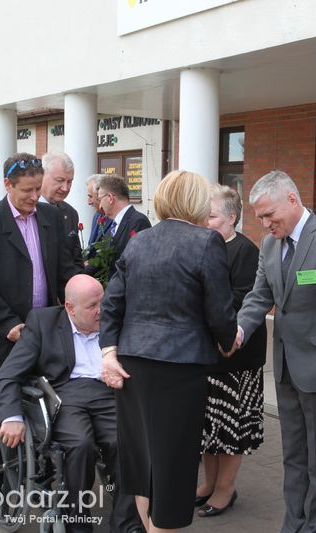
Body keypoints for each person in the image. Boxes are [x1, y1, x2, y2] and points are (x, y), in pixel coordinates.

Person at [99, 170, 238, 532]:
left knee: (143, 462)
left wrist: (109, 352)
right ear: (195, 201)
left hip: (134, 366)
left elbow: (112, 303)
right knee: (173, 465)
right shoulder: (207, 242)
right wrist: (228, 341)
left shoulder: (139, 240)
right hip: (179, 370)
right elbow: (219, 310)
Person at [237, 170, 316, 533]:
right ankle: (293, 525)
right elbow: (260, 295)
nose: (264, 223)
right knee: (293, 457)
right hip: (287, 368)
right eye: (259, 217)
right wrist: (240, 330)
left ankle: (314, 527)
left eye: (268, 215)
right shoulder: (269, 245)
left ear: (292, 200)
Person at [0, 274, 142, 532]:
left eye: (103, 302)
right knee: (79, 445)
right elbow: (10, 372)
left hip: (108, 391)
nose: (101, 311)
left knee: (127, 440)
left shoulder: (113, 319)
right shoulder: (43, 323)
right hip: (64, 395)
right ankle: (77, 521)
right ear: (70, 308)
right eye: (92, 306)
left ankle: (126, 523)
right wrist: (12, 416)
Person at [0, 152, 76, 486]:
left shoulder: (50, 217)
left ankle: (37, 468)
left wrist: (81, 293)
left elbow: (62, 268)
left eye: (38, 188)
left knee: (44, 403)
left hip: (42, 332)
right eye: (27, 190)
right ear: (7, 185)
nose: (34, 197)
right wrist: (8, 324)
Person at [196, 185, 267, 518]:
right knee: (208, 428)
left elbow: (241, 301)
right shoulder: (204, 246)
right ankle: (209, 483)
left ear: (231, 218)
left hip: (236, 358)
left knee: (230, 429)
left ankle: (225, 489)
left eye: (211, 216)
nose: (205, 222)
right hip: (207, 356)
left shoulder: (245, 251)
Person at [86, 175, 151, 282]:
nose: (100, 206)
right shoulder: (114, 224)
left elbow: (135, 264)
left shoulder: (138, 222)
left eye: (100, 199)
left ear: (110, 198)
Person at [40, 152, 83, 267]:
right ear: (41, 176)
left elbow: (76, 258)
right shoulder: (26, 210)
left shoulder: (71, 213)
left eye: (69, 181)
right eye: (59, 180)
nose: (65, 188)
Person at [86, 174, 107, 249]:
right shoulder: (97, 216)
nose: (89, 202)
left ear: (100, 195)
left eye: (90, 196)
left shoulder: (115, 218)